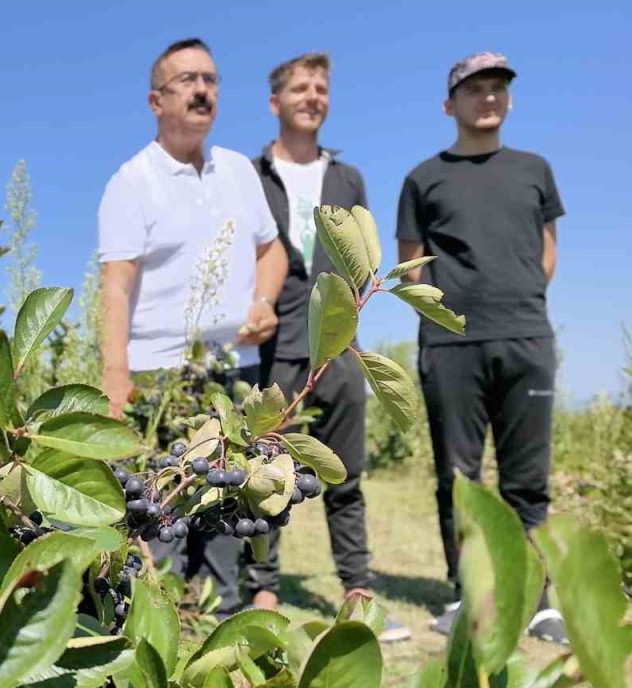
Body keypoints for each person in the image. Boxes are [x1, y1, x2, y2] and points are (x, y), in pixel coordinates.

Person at [97, 37, 287, 616]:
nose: (202, 89)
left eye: (210, 78)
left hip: (235, 371)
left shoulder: (237, 170)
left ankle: (222, 633)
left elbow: (272, 251)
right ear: (157, 100)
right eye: (186, 80)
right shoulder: (132, 181)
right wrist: (115, 378)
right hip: (161, 376)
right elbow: (116, 287)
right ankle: (157, 630)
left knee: (228, 514)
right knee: (163, 517)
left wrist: (263, 302)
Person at [396, 52, 567, 643]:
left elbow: (547, 249)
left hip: (526, 337)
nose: (487, 97)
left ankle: (538, 599)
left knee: (528, 480)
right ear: (450, 105)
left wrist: (516, 300)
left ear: (509, 99)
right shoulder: (423, 178)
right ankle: (468, 592)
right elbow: (409, 263)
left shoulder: (535, 169)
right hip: (451, 344)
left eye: (497, 88)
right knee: (459, 477)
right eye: (474, 90)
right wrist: (448, 314)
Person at [249, 52, 410, 643]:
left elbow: (362, 260)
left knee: (349, 474)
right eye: (300, 87)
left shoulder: (349, 178)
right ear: (276, 102)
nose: (312, 96)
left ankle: (357, 589)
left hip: (340, 348)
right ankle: (263, 586)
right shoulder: (250, 174)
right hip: (274, 348)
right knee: (264, 472)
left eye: (321, 88)